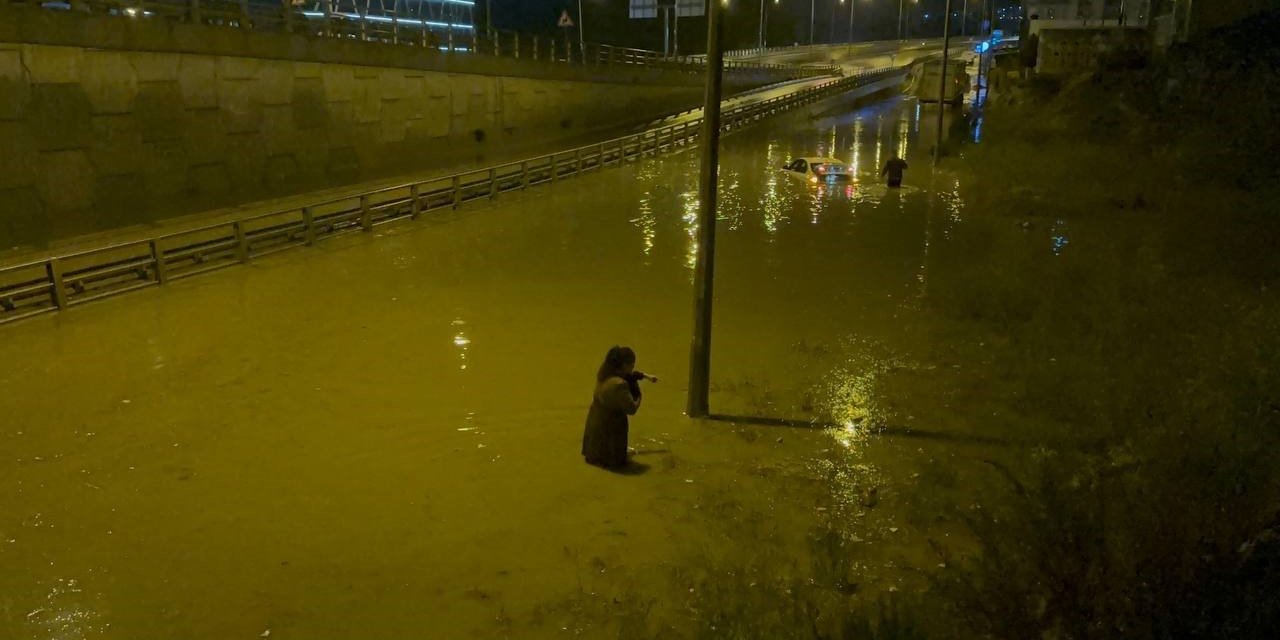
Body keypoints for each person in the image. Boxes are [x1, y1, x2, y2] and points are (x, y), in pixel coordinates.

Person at [582, 346, 652, 468]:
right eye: (631, 365)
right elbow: (632, 408)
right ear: (624, 365)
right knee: (614, 464)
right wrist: (638, 394)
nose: (632, 368)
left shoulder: (603, 373)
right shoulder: (620, 385)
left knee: (596, 459)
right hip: (610, 431)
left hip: (595, 425)